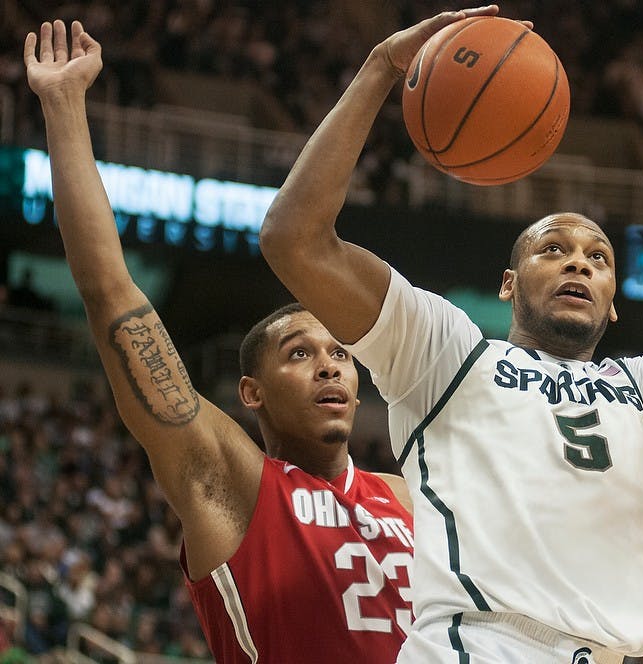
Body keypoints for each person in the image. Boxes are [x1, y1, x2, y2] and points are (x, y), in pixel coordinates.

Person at [260, 5, 643, 663]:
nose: (579, 260)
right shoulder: (446, 354)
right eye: (553, 248)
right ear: (508, 282)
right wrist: (381, 67)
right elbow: (294, 240)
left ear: (613, 306)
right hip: (480, 646)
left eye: (599, 257)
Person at [24, 20, 414, 663]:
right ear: (250, 393)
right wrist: (64, 105)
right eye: (300, 353)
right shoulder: (230, 481)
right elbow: (111, 295)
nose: (329, 367)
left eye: (339, 352)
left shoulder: (407, 496)